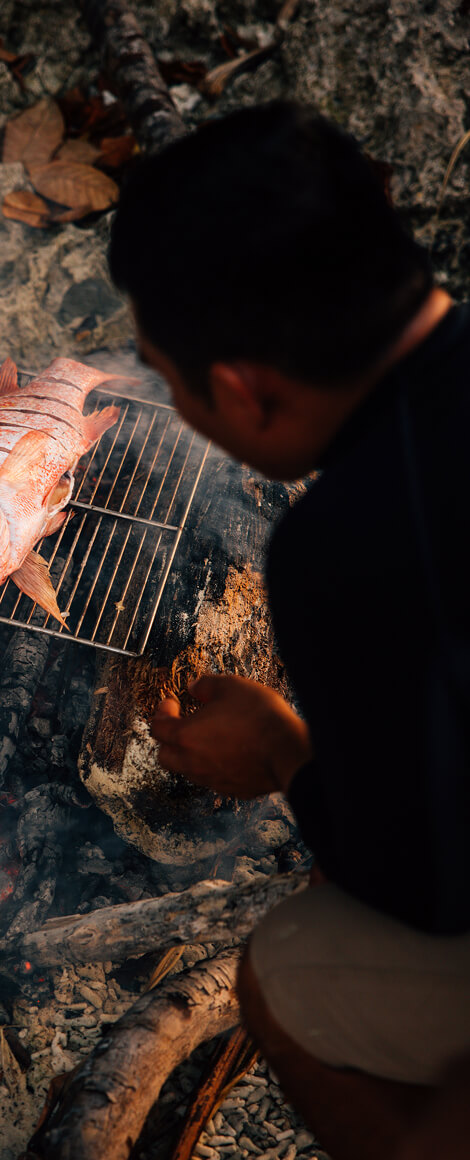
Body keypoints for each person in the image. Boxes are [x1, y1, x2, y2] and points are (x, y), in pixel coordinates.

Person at [108, 100, 470, 1160]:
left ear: (243, 390)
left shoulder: (350, 544)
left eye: (169, 381)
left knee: (290, 963)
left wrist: (279, 753)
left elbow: (428, 888)